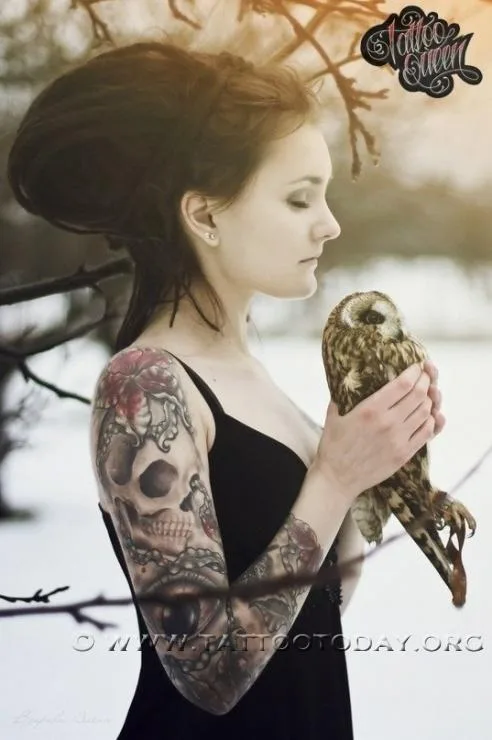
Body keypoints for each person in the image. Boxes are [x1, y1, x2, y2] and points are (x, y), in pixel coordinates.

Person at [7, 40, 445, 739]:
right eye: (299, 197)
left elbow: (318, 614)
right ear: (205, 216)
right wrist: (334, 476)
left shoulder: (252, 375)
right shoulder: (146, 385)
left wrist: (375, 469)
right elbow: (208, 673)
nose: (329, 223)